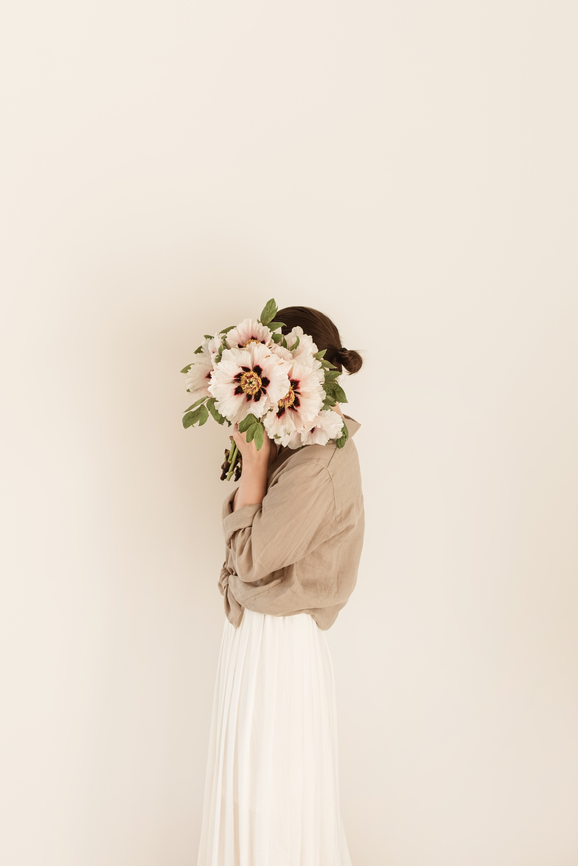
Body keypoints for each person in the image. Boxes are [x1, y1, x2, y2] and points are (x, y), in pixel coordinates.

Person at [196, 305, 365, 866]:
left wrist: (252, 467)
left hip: (280, 645)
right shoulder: (299, 453)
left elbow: (249, 558)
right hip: (264, 640)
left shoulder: (317, 459)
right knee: (253, 799)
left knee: (273, 806)